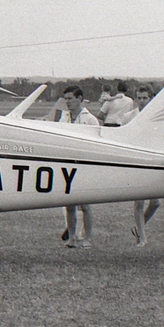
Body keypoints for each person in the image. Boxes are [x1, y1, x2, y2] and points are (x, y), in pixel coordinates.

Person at [57, 86, 99, 248]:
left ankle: (87, 237)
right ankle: (72, 237)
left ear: (80, 99)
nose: (67, 102)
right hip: (67, 166)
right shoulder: (64, 118)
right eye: (66, 99)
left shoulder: (90, 119)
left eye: (70, 99)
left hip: (84, 166)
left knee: (85, 205)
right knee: (69, 205)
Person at [123, 86, 160, 246]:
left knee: (156, 202)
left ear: (151, 98)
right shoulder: (128, 117)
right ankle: (142, 238)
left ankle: (139, 228)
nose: (142, 101)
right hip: (136, 162)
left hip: (153, 162)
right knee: (139, 202)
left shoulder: (157, 117)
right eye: (139, 97)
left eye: (145, 98)